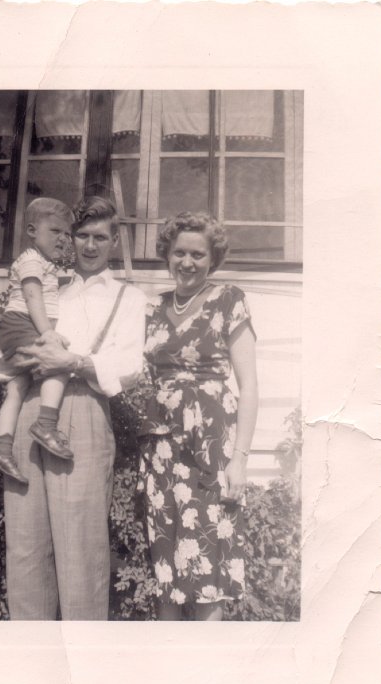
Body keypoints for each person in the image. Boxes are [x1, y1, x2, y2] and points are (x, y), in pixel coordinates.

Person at [3, 196, 147, 620]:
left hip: (84, 409)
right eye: (80, 235)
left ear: (114, 241)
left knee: (79, 546)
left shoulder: (129, 298)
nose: (88, 246)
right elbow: (11, 336)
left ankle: (84, 664)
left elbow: (131, 367)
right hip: (32, 406)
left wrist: (77, 362)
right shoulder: (50, 288)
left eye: (99, 237)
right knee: (26, 545)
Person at [138, 211, 258, 621]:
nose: (186, 262)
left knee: (207, 569)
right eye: (178, 253)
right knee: (167, 568)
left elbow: (250, 386)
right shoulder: (152, 309)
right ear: (166, 256)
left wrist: (240, 459)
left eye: (197, 254)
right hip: (161, 450)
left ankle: (207, 673)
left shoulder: (229, 300)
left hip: (212, 450)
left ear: (212, 259)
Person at [0, 198, 75, 485]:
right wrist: (47, 333)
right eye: (55, 231)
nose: (63, 238)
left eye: (67, 234)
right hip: (21, 323)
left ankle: (2, 448)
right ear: (32, 230)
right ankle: (46, 425)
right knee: (58, 364)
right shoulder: (31, 260)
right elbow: (33, 297)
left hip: (20, 326)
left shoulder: (46, 264)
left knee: (17, 387)